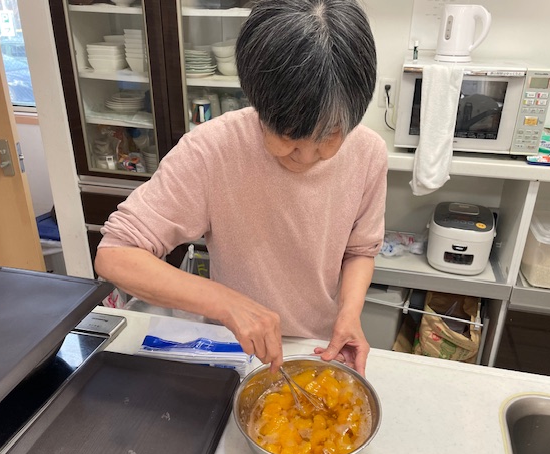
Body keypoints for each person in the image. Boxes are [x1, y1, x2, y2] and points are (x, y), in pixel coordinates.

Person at [95, 0, 387, 376]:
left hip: (317, 348)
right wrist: (227, 303)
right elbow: (116, 254)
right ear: (258, 102)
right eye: (290, 137)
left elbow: (360, 250)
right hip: (233, 347)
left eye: (332, 134)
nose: (310, 155)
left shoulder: (368, 153)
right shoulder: (212, 149)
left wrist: (349, 314)